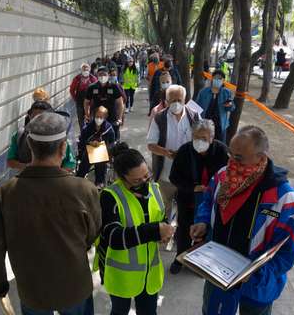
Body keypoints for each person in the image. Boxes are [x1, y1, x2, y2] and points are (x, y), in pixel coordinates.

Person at [0, 112, 101, 315]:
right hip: (74, 286)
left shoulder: (5, 193)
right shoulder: (84, 189)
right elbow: (91, 235)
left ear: (30, 146)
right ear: (63, 148)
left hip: (32, 288)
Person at [191, 126, 294, 315]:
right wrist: (202, 221)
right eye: (230, 154)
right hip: (216, 275)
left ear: (261, 157)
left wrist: (257, 275)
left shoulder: (284, 199)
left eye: (239, 158)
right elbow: (207, 201)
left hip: (256, 290)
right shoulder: (221, 177)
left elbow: (287, 252)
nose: (231, 162)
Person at [94, 143, 175, 315]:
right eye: (137, 180)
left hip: (150, 274)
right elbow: (113, 237)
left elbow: (160, 218)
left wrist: (164, 232)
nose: (144, 182)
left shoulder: (154, 189)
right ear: (122, 178)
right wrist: (154, 231)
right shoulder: (110, 196)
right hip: (121, 276)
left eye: (147, 175)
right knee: (119, 312)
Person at [167, 120, 229, 274]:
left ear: (212, 138)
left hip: (211, 204)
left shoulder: (221, 151)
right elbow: (174, 177)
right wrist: (193, 188)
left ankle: (201, 263)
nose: (199, 142)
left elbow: (229, 175)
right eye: (196, 137)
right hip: (188, 200)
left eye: (203, 138)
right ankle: (180, 257)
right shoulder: (184, 151)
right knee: (184, 232)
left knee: (207, 233)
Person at [147, 85, 200, 219]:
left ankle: (180, 236)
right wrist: (166, 152)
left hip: (188, 177)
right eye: (172, 100)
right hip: (166, 176)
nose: (176, 103)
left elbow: (202, 140)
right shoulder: (159, 118)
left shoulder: (194, 117)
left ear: (184, 99)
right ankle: (165, 235)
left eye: (179, 100)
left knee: (186, 212)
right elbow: (151, 144)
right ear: (166, 101)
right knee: (165, 210)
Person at [6, 101, 76, 172]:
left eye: (42, 117)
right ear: (29, 116)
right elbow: (10, 161)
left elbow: (70, 163)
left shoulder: (58, 138)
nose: (38, 122)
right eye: (35, 117)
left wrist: (55, 175)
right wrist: (26, 167)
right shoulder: (19, 135)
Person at [76, 106, 116, 188]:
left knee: (100, 160)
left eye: (101, 117)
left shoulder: (108, 128)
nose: (98, 119)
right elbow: (81, 140)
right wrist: (90, 142)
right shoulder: (88, 128)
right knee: (86, 159)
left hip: (102, 152)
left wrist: (103, 146)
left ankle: (99, 182)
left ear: (105, 117)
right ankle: (80, 178)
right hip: (88, 151)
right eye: (97, 116)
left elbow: (112, 143)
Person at [84, 66, 124, 141]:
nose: (102, 76)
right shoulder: (92, 87)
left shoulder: (114, 86)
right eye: (100, 74)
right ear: (97, 75)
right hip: (97, 118)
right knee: (96, 140)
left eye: (104, 74)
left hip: (112, 118)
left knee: (113, 141)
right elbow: (86, 102)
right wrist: (87, 115)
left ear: (108, 75)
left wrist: (119, 118)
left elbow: (120, 103)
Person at [195, 69, 235, 143]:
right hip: (205, 125)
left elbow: (232, 108)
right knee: (205, 144)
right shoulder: (203, 92)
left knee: (218, 146)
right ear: (212, 79)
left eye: (220, 78)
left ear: (223, 81)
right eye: (215, 78)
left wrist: (229, 105)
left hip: (220, 125)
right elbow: (196, 107)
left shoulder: (227, 92)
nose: (217, 80)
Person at [70, 63, 98, 129]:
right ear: (81, 70)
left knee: (91, 118)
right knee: (80, 118)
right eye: (84, 69)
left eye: (87, 69)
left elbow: (97, 90)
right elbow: (72, 90)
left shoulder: (93, 79)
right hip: (79, 102)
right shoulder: (77, 79)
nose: (85, 71)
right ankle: (82, 132)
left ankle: (90, 131)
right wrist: (75, 99)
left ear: (89, 70)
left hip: (90, 103)